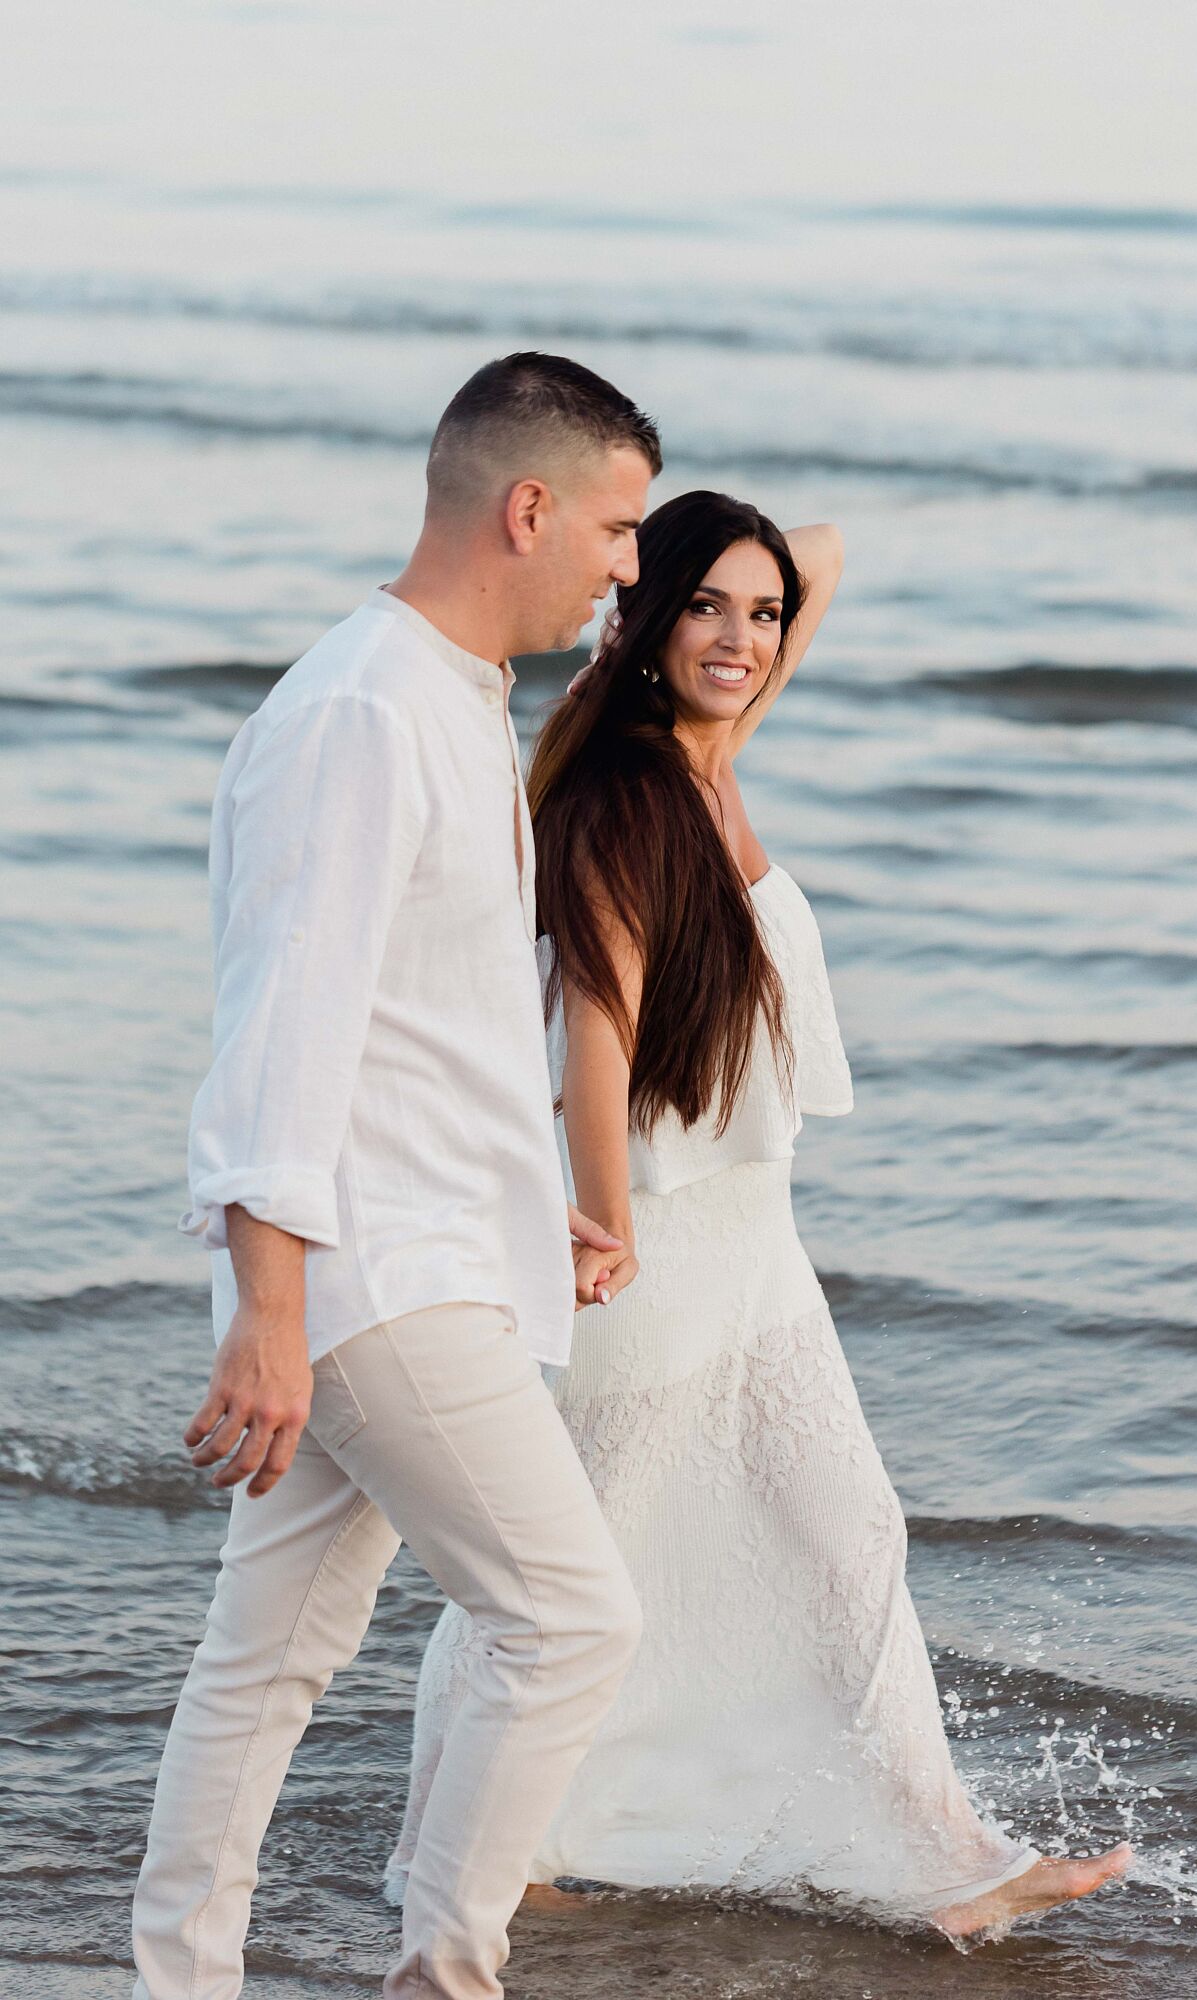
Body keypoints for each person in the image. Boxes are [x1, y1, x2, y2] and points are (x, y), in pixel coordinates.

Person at [390, 489, 1132, 1937]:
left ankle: (939, 1860)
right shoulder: (624, 795)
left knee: (846, 1535)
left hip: (755, 1243)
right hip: (661, 1246)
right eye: (704, 605)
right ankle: (472, 1845)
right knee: (579, 1564)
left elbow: (823, 560)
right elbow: (593, 1039)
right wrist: (601, 1222)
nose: (742, 638)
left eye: (760, 613)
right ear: (644, 617)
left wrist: (678, 573)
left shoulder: (714, 750)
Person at [131, 352, 662, 2000]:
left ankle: (182, 1977)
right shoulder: (362, 709)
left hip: (420, 1247)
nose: (627, 569)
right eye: (620, 526)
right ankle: (446, 1974)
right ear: (527, 507)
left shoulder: (441, 693)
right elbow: (282, 1030)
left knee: (265, 1661)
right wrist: (270, 1316)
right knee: (570, 1621)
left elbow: (416, 1020)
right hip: (367, 1278)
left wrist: (528, 1197)